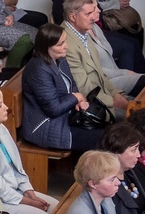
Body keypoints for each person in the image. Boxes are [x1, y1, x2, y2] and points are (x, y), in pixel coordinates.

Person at [21, 23, 103, 151]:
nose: (66, 47)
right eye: (60, 45)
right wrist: (76, 97)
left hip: (65, 117)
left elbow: (72, 85)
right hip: (45, 127)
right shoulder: (39, 70)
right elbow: (53, 109)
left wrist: (79, 102)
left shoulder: (59, 59)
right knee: (104, 140)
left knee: (108, 131)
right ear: (45, 47)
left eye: (65, 41)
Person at [62, 0, 132, 115]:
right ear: (73, 17)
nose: (94, 18)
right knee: (141, 122)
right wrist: (114, 102)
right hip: (92, 107)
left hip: (104, 96)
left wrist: (115, 93)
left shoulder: (83, 32)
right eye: (88, 14)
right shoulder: (66, 43)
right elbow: (84, 88)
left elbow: (100, 73)